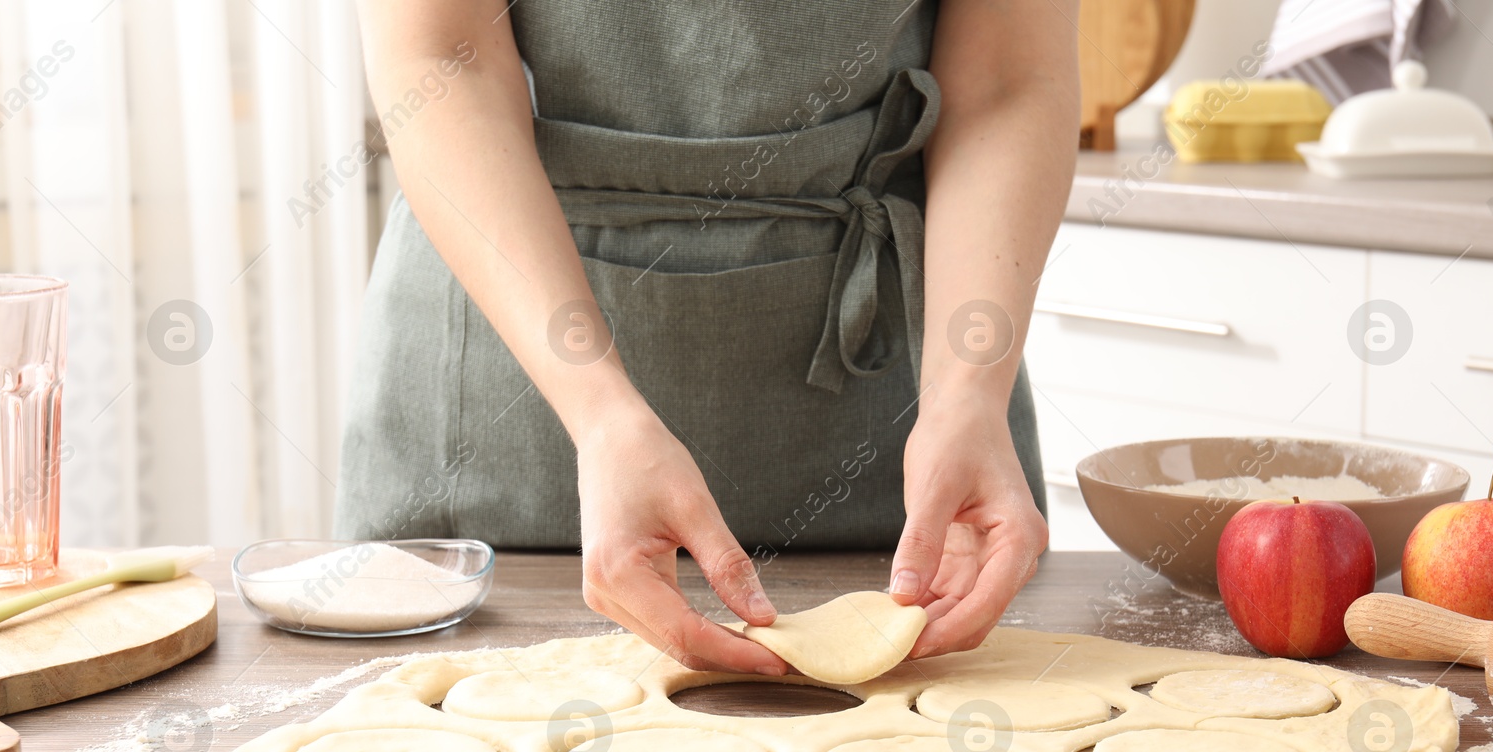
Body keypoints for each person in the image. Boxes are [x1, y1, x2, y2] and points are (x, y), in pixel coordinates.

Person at [338, 1, 1078, 674]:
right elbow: (438, 60)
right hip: (505, 391)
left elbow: (1009, 81)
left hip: (900, 427)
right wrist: (598, 415)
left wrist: (966, 395)